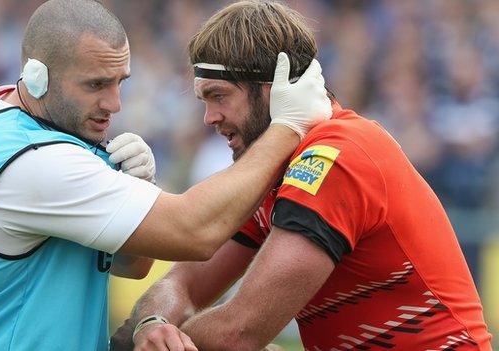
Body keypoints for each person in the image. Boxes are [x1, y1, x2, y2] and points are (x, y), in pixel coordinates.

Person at [0, 0, 332, 350]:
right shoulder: (38, 163)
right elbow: (196, 232)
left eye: (120, 83)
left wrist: (137, 190)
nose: (114, 103)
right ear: (37, 77)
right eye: (96, 84)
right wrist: (287, 128)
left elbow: (131, 265)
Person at [112, 1, 493, 350]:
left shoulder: (336, 155)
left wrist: (155, 342)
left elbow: (240, 331)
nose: (209, 118)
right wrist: (152, 322)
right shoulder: (273, 166)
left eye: (220, 96)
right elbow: (182, 283)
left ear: (275, 89)